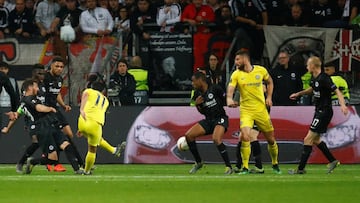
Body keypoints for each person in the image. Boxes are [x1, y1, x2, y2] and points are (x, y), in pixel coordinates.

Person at [3, 79, 84, 175]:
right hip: (42, 128)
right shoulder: (28, 99)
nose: (38, 89)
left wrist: (14, 116)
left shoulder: (30, 99)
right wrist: (49, 108)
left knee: (67, 145)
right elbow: (38, 108)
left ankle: (77, 169)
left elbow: (18, 112)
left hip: (51, 124)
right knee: (52, 159)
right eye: (36, 86)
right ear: (30, 87)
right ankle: (32, 161)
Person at [288, 56, 348, 174]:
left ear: (313, 66)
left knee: (308, 139)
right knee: (315, 139)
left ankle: (300, 169)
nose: (306, 67)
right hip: (319, 110)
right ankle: (333, 161)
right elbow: (312, 89)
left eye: (308, 65)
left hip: (324, 112)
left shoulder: (325, 78)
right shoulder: (315, 78)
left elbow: (337, 91)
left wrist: (343, 105)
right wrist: (299, 94)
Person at [227, 50, 281, 174]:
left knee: (271, 139)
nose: (236, 63)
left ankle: (275, 163)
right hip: (246, 111)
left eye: (237, 60)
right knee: (245, 135)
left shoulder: (260, 71)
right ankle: (245, 167)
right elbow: (230, 90)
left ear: (245, 59)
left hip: (261, 110)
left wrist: (269, 97)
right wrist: (229, 100)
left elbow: (270, 82)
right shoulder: (236, 74)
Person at [185, 71, 233, 174]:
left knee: (216, 138)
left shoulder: (215, 88)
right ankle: (198, 162)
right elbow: (202, 112)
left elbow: (225, 99)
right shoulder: (197, 94)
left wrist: (231, 102)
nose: (192, 84)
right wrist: (198, 105)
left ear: (200, 80)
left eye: (194, 81)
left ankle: (229, 167)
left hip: (220, 118)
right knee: (189, 136)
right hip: (208, 120)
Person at [43, 56, 84, 171]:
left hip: (56, 109)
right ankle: (54, 161)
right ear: (51, 65)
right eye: (57, 66)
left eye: (61, 67)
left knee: (69, 134)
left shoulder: (60, 79)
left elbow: (57, 94)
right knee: (60, 136)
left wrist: (63, 105)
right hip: (47, 111)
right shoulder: (45, 78)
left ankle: (50, 158)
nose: (59, 69)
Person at [78, 80, 126, 175]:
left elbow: (85, 96)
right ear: (103, 91)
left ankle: (114, 150)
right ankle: (87, 171)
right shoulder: (106, 101)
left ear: (92, 86)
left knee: (96, 138)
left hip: (83, 120)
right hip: (96, 124)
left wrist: (81, 109)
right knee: (92, 149)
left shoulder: (89, 91)